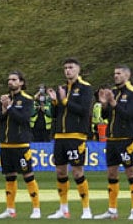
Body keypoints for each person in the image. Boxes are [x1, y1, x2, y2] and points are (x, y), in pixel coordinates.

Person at [48, 58, 95, 220]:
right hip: (59, 136)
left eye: (71, 67)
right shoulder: (61, 88)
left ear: (78, 70)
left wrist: (65, 100)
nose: (68, 70)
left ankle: (86, 209)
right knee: (60, 171)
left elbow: (83, 111)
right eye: (66, 68)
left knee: (77, 171)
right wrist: (54, 101)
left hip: (76, 136)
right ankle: (63, 208)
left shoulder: (85, 88)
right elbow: (55, 115)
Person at [0, 70, 42, 220]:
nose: (10, 82)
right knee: (9, 178)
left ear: (21, 82)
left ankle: (36, 208)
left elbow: (24, 119)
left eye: (14, 79)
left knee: (28, 176)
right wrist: (4, 108)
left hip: (20, 144)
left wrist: (9, 108)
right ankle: (10, 209)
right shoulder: (4, 99)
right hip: (5, 145)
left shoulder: (27, 99)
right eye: (9, 79)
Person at [97, 65, 133, 221]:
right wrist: (104, 104)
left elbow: (129, 115)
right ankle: (112, 209)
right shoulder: (113, 92)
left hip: (126, 139)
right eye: (114, 73)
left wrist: (113, 103)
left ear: (127, 75)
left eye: (119, 73)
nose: (115, 76)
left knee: (131, 172)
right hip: (111, 139)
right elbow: (106, 115)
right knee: (111, 173)